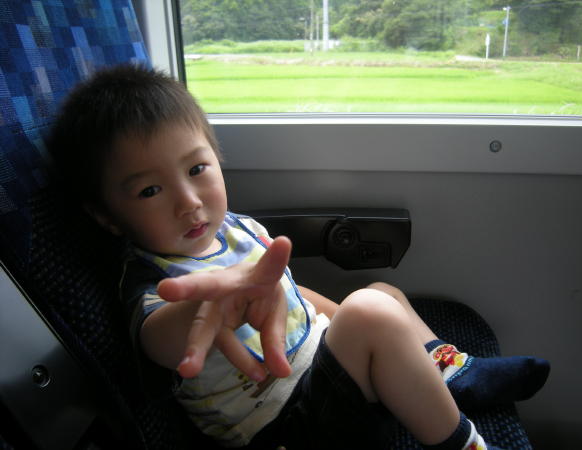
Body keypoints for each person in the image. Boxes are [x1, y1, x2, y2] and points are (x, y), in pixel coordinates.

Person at [48, 64, 549, 450]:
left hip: (325, 378)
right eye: (150, 190)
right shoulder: (154, 281)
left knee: (380, 295)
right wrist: (212, 306)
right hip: (288, 426)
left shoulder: (237, 228)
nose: (188, 201)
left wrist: (352, 327)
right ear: (109, 218)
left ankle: (451, 370)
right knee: (372, 312)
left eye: (197, 168)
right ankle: (467, 443)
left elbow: (292, 296)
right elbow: (163, 339)